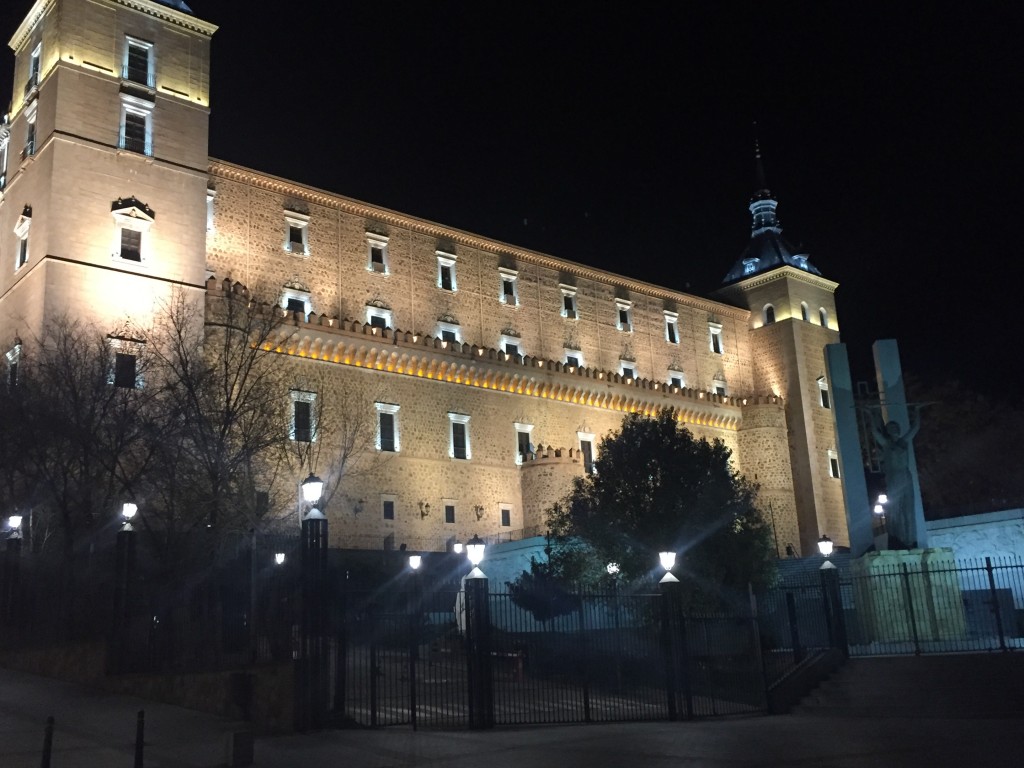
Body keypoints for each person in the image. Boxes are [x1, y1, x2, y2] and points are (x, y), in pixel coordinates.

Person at [871, 406, 922, 550]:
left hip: (905, 477)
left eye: (896, 427)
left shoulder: (903, 442)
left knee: (908, 508)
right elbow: (875, 432)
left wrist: (917, 411)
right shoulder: (887, 444)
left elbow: (915, 428)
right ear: (888, 431)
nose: (895, 430)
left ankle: (909, 538)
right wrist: (872, 415)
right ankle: (897, 538)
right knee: (895, 508)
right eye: (892, 428)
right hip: (894, 479)